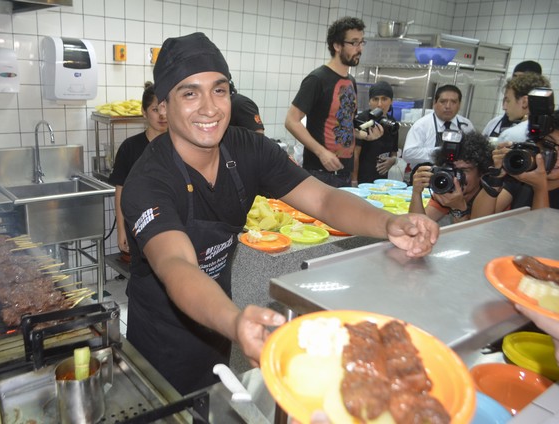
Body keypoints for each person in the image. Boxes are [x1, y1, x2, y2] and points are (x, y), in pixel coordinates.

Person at [120, 32, 440, 394]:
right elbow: (176, 265)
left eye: (219, 90)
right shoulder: (148, 181)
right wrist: (235, 320)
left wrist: (388, 222)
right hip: (162, 335)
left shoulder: (249, 149)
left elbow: (323, 200)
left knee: (212, 401)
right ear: (163, 106)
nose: (210, 108)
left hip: (216, 321)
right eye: (190, 93)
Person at [285, 17, 380, 188]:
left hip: (344, 172)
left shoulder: (351, 81)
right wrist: (321, 152)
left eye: (361, 42)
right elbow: (291, 121)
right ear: (337, 46)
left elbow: (344, 124)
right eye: (354, 43)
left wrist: (364, 135)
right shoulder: (317, 79)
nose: (359, 49)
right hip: (320, 173)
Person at [109, 82, 168, 254]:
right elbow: (120, 190)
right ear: (144, 112)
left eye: (165, 108)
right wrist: (121, 230)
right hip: (138, 225)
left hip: (170, 224)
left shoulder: (180, 145)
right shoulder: (130, 147)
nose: (162, 115)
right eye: (155, 109)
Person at [473, 109, 559, 216]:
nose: (556, 155)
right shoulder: (524, 176)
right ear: (536, 144)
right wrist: (496, 175)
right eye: (549, 144)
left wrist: (540, 188)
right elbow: (478, 219)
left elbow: (540, 227)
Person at [409, 131, 494, 225]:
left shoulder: (490, 196)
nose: (456, 177)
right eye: (452, 170)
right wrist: (416, 192)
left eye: (464, 170)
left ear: (481, 172)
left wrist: (458, 208)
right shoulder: (448, 190)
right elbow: (416, 225)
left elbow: (474, 233)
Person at [402, 85, 475, 170]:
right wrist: (439, 152)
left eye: (453, 102)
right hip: (425, 174)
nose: (448, 106)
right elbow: (408, 154)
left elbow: (474, 153)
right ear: (434, 103)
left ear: (459, 105)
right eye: (443, 101)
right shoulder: (422, 125)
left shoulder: (466, 125)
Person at [353, 80, 399, 184]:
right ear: (369, 101)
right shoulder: (363, 120)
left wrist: (393, 160)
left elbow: (394, 152)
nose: (379, 104)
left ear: (391, 101)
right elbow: (355, 154)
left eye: (384, 99)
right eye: (375, 99)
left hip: (381, 182)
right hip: (362, 180)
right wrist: (354, 180)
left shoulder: (392, 123)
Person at [482, 60, 543, 138]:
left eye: (522, 79)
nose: (516, 82)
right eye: (514, 77)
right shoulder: (495, 123)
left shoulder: (542, 129)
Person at [496, 72, 551, 143]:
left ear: (525, 102)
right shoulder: (551, 132)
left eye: (508, 101)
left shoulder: (510, 136)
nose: (504, 107)